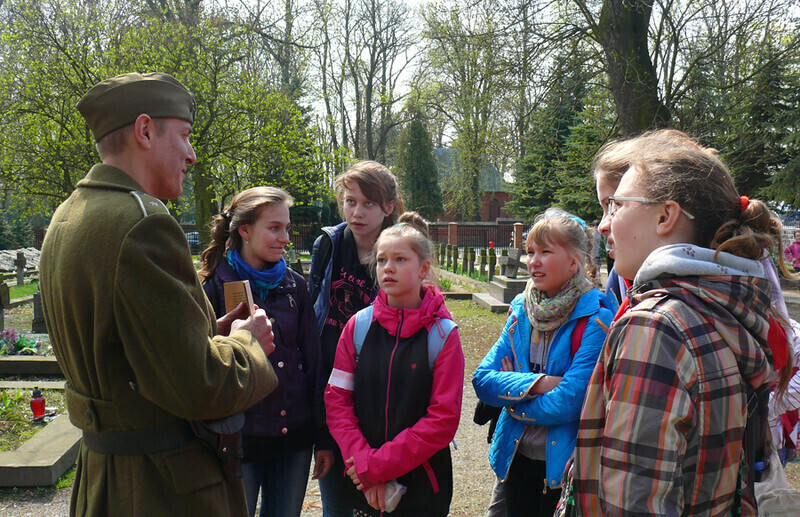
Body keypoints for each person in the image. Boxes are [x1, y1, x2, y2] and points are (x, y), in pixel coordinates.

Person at [39, 72, 278, 515]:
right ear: (145, 130)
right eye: (185, 136)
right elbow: (200, 386)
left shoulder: (70, 215)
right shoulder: (143, 223)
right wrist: (248, 343)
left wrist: (209, 331)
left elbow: (125, 351)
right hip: (160, 488)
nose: (191, 154)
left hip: (106, 478)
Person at [565, 129, 790, 515]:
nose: (603, 225)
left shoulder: (657, 327)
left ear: (666, 215)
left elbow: (633, 506)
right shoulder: (723, 312)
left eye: (616, 206)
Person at [199, 186, 333, 516]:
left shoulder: (294, 285)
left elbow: (313, 366)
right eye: (274, 227)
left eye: (286, 227)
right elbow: (200, 365)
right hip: (239, 441)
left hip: (293, 441)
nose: (285, 237)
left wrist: (323, 438)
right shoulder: (213, 286)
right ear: (244, 230)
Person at [472, 209, 616, 517]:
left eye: (545, 252)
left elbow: (570, 402)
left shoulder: (597, 319)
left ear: (574, 261)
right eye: (530, 252)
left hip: (564, 466)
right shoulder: (520, 310)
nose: (533, 261)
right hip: (515, 457)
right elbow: (482, 380)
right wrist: (538, 384)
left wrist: (511, 402)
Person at [324, 213, 465, 516]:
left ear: (424, 268)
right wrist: (363, 464)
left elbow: (442, 420)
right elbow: (337, 401)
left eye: (400, 259)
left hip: (423, 486)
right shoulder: (357, 327)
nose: (388, 267)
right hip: (361, 483)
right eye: (381, 260)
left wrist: (376, 466)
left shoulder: (442, 335)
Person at [308, 160, 403, 516]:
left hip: (381, 390)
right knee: (337, 499)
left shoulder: (401, 246)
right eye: (350, 202)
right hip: (333, 387)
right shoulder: (329, 244)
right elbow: (315, 311)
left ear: (388, 207)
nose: (357, 212)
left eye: (368, 204)